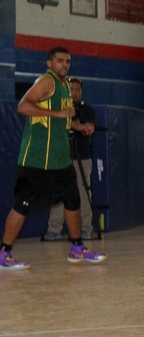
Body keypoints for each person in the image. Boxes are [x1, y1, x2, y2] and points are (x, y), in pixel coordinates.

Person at [1, 47, 106, 269]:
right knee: (23, 204)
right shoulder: (46, 82)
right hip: (38, 159)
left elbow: (64, 121)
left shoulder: (66, 86)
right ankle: (4, 253)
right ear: (50, 64)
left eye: (67, 61)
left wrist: (79, 126)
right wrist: (56, 114)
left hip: (60, 159)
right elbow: (23, 107)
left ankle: (77, 248)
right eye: (60, 61)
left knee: (73, 200)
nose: (64, 65)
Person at [45, 77, 96, 241]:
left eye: (78, 90)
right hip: (61, 156)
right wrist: (77, 125)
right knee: (59, 193)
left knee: (83, 191)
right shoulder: (58, 108)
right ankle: (54, 229)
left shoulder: (87, 109)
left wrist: (83, 126)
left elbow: (89, 126)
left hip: (82, 156)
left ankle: (86, 228)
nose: (74, 93)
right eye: (71, 90)